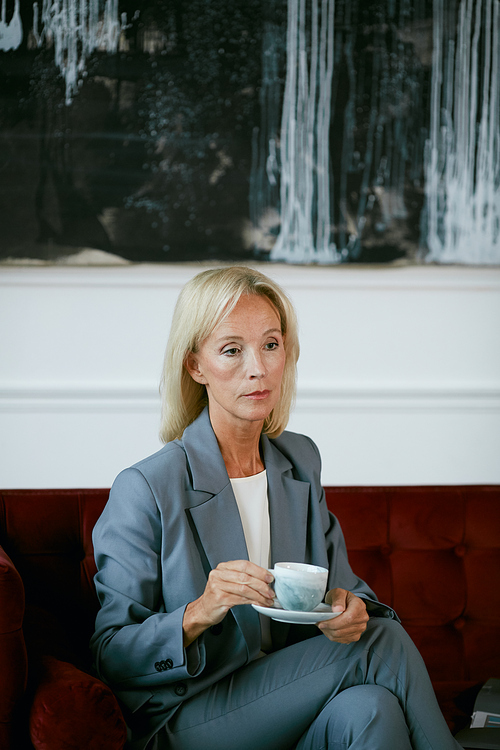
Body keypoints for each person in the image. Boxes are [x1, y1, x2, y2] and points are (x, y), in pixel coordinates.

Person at [91, 266, 462, 750]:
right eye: (231, 350)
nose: (258, 368)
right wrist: (199, 612)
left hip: (289, 698)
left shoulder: (300, 461)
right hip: (190, 717)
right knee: (384, 644)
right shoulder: (146, 486)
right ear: (195, 366)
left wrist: (348, 609)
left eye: (271, 344)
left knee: (372, 708)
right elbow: (110, 653)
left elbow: (345, 589)